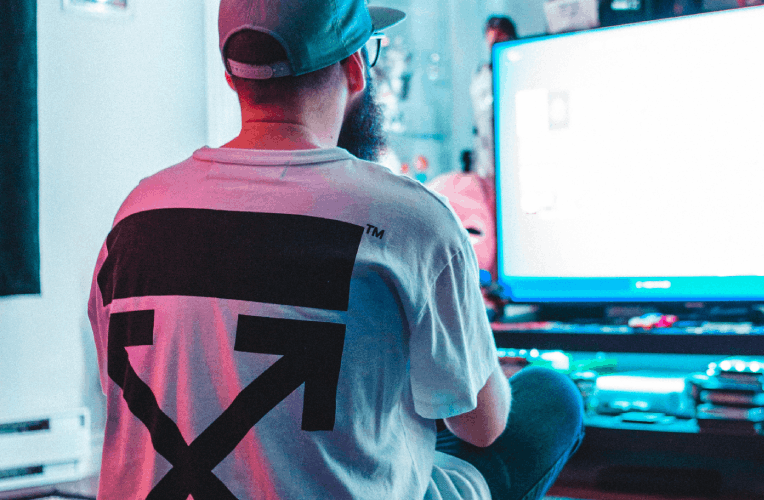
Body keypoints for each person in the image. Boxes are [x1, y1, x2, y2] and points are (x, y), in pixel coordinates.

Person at [86, 1, 584, 499]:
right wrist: (481, 363)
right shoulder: (413, 218)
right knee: (550, 396)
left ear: (233, 77)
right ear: (356, 66)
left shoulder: (136, 215)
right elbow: (482, 428)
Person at [470, 16, 518, 179]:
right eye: (491, 37)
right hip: (485, 158)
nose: (493, 41)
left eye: (500, 36)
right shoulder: (481, 75)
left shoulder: (516, 69)